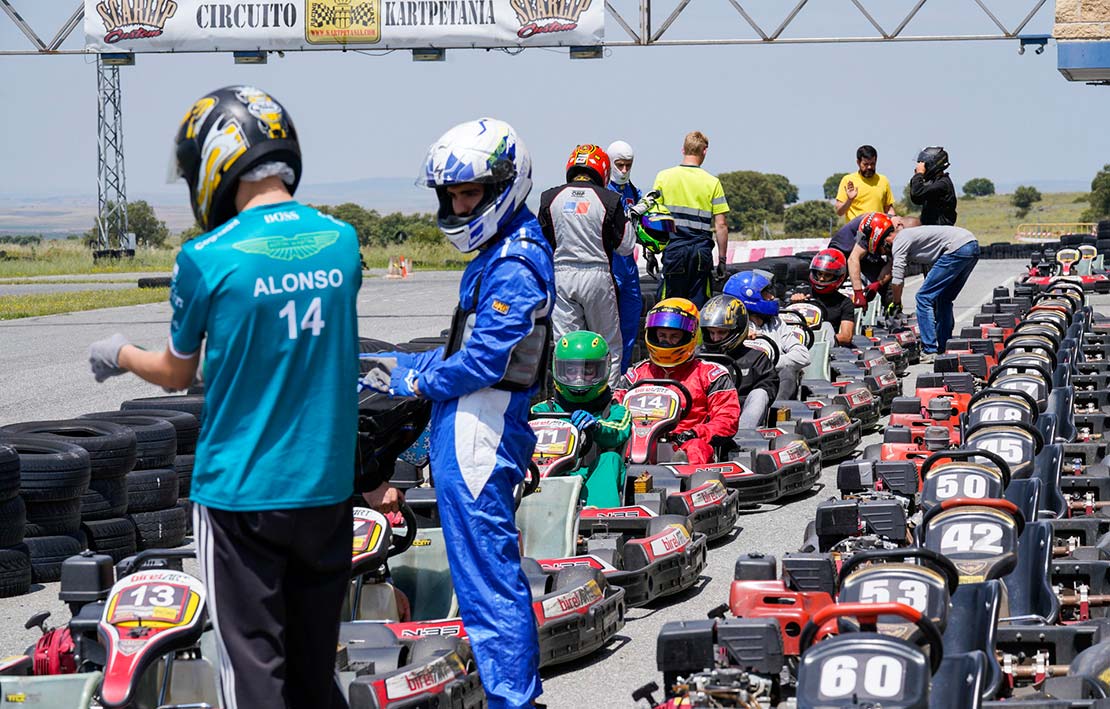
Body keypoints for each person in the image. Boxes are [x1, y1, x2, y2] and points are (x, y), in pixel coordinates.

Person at [87, 86, 363, 709]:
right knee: (314, 673)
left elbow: (177, 374)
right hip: (324, 489)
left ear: (218, 157)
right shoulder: (343, 243)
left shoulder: (206, 258)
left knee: (253, 672)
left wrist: (119, 353)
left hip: (241, 495)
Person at [363, 118, 551, 709]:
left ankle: (511, 700)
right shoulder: (499, 251)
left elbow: (482, 361)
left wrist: (415, 377)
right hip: (469, 424)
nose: (460, 204)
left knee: (488, 584)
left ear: (504, 187)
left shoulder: (515, 263)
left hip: (481, 428)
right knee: (481, 582)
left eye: (471, 193)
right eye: (453, 195)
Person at [539, 144, 633, 389]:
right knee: (607, 344)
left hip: (560, 276)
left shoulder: (549, 198)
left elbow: (541, 241)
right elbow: (627, 245)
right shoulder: (610, 199)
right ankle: (609, 400)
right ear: (602, 170)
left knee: (566, 345)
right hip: (597, 275)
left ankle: (566, 399)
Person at [614, 298, 739, 464]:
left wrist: (695, 433)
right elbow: (614, 409)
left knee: (696, 448)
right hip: (641, 442)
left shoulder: (711, 374)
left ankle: (684, 481)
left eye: (674, 336)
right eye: (662, 336)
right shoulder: (637, 374)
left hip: (686, 442)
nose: (666, 342)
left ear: (690, 336)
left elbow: (727, 419)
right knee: (616, 453)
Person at [851, 222, 980, 360]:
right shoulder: (907, 237)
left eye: (882, 250)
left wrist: (896, 303)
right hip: (971, 245)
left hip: (957, 248)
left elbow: (897, 279)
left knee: (923, 297)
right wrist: (878, 283)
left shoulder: (900, 240)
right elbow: (894, 267)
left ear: (884, 241)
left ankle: (930, 350)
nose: (885, 253)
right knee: (944, 298)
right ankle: (944, 346)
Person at [531, 331, 631, 508]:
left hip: (592, 478)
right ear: (558, 369)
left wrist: (596, 426)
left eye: (587, 371)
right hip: (550, 478)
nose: (579, 378)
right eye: (571, 371)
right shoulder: (541, 411)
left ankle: (600, 519)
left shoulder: (616, 410)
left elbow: (618, 432)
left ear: (603, 369)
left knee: (610, 458)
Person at [652, 131, 731, 307]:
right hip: (700, 254)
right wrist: (723, 260)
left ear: (683, 150)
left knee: (669, 305)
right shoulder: (712, 182)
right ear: (704, 151)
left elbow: (653, 219)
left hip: (674, 251)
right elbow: (721, 225)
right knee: (698, 307)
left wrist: (650, 252)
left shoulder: (663, 177)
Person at [724, 271, 811, 400]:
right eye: (765, 294)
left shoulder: (776, 322)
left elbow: (803, 356)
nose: (771, 297)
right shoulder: (729, 328)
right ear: (749, 298)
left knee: (788, 372)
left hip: (770, 384)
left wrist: (764, 365)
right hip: (737, 382)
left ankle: (775, 413)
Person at [699, 294, 778, 430]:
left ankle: (742, 436)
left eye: (721, 332)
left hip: (739, 416)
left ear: (737, 329)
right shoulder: (699, 357)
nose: (715, 338)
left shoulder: (756, 358)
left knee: (760, 394)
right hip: (703, 416)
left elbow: (769, 389)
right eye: (711, 333)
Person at [606, 140, 644, 372]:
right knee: (607, 328)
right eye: (619, 165)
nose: (623, 170)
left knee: (630, 326)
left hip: (629, 269)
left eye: (628, 165)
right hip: (608, 267)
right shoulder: (600, 190)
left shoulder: (633, 190)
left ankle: (622, 375)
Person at [791, 249, 855, 346]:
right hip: (797, 344)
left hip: (826, 347)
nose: (821, 278)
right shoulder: (802, 293)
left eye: (827, 275)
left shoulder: (844, 302)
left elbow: (846, 336)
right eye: (819, 274)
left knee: (826, 326)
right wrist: (794, 304)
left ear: (837, 276)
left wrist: (818, 339)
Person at [835, 145, 896, 222]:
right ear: (858, 162)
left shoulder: (883, 180)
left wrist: (894, 222)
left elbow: (889, 209)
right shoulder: (848, 180)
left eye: (872, 164)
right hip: (856, 231)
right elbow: (839, 212)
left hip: (878, 230)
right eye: (866, 164)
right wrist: (849, 200)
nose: (869, 167)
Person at [909, 146, 958, 226]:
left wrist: (919, 174)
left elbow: (917, 193)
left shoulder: (942, 184)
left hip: (940, 232)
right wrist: (917, 177)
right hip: (932, 230)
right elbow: (916, 199)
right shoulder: (933, 182)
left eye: (924, 164)